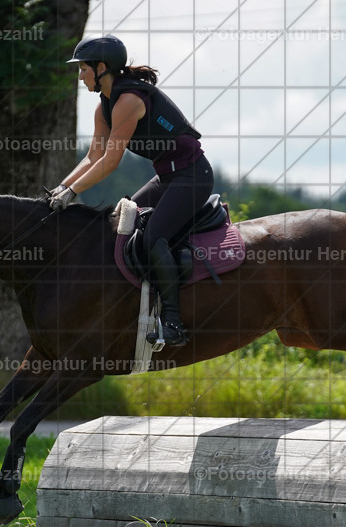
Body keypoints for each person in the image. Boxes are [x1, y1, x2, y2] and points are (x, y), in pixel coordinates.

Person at [47, 35, 214, 348]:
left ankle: (174, 324)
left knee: (153, 238)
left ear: (101, 68)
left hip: (193, 177)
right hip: (168, 178)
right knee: (117, 226)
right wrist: (62, 187)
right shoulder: (105, 107)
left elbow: (110, 162)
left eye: (82, 69)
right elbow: (93, 156)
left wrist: (71, 194)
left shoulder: (128, 101)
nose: (79, 76)